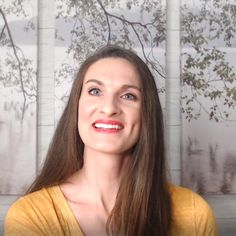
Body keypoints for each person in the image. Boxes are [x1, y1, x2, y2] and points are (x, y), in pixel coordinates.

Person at [4, 45, 218, 236]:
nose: (109, 108)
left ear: (146, 115)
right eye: (95, 91)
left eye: (128, 96)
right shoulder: (30, 216)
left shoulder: (194, 214)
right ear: (76, 107)